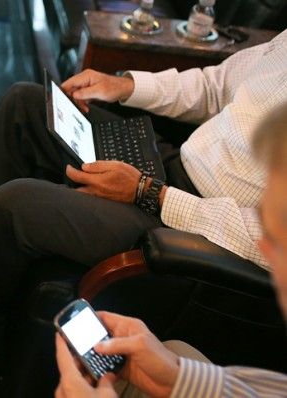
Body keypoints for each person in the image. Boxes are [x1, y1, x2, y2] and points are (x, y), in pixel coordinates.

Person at [0, 30, 287, 369]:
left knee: (16, 206)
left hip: (196, 228)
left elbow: (267, 240)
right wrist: (126, 86)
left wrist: (152, 194)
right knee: (26, 104)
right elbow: (216, 87)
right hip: (174, 168)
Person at [54, 101, 287, 398]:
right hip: (180, 174)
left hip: (185, 212)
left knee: (18, 205)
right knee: (174, 353)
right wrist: (178, 378)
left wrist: (150, 192)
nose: (263, 246)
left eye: (278, 237)